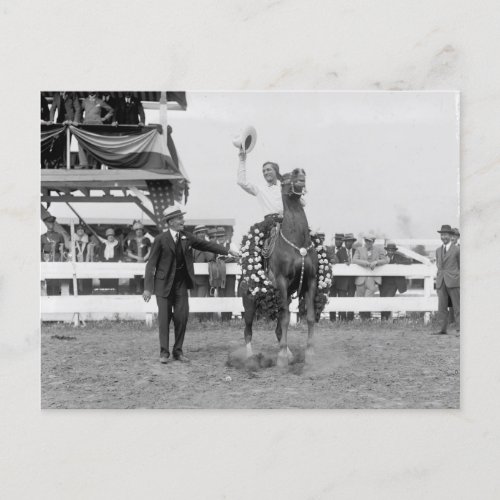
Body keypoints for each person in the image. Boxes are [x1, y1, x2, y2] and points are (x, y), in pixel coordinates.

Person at [143, 205, 239, 364]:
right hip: (163, 285)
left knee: (182, 317)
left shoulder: (186, 237)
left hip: (181, 284)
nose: (182, 221)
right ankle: (164, 353)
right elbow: (151, 264)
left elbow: (206, 245)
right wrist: (147, 288)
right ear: (171, 221)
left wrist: (227, 251)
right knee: (164, 319)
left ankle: (178, 351)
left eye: (181, 218)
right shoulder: (160, 239)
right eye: (179, 218)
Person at [352, 234, 389, 319]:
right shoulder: (359, 249)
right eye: (366, 241)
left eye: (370, 241)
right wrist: (366, 263)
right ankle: (362, 319)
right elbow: (354, 260)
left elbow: (385, 260)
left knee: (368, 299)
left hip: (372, 279)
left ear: (373, 242)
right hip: (360, 279)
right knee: (361, 299)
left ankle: (367, 319)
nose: (368, 243)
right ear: (364, 241)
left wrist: (376, 262)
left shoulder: (378, 250)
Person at [433, 225, 460, 335]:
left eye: (446, 235)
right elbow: (439, 266)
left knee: (457, 306)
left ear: (450, 236)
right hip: (441, 282)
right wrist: (438, 279)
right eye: (442, 235)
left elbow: (461, 266)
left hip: (453, 281)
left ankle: (460, 329)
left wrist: (457, 277)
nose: (444, 237)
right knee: (442, 307)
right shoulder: (438, 250)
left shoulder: (457, 250)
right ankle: (442, 329)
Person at [78, 92, 114, 169]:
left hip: (97, 125)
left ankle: (95, 164)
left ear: (95, 93)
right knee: (81, 142)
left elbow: (111, 110)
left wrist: (104, 118)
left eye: (93, 92)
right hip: (86, 125)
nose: (91, 94)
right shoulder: (85, 101)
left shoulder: (100, 101)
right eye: (90, 92)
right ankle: (83, 163)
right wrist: (81, 120)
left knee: (96, 144)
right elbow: (79, 111)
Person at [379, 241, 412, 320]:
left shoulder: (398, 256)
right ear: (387, 250)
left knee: (388, 299)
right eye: (389, 250)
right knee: (382, 300)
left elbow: (409, 261)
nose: (390, 251)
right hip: (383, 282)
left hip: (394, 283)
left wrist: (397, 263)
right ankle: (383, 319)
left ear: (394, 251)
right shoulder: (383, 257)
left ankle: (386, 318)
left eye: (392, 250)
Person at [41, 214, 67, 295]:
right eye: (49, 223)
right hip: (46, 259)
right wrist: (42, 260)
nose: (51, 225)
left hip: (57, 259)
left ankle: (57, 295)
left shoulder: (59, 235)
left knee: (56, 278)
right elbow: (39, 250)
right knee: (48, 279)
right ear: (45, 224)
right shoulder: (42, 237)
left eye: (52, 223)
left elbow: (64, 249)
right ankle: (49, 295)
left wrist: (62, 257)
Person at [125, 221, 152, 294]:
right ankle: (133, 291)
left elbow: (150, 251)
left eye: (140, 230)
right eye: (137, 230)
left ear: (142, 231)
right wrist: (137, 258)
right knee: (135, 276)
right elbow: (129, 253)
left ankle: (144, 291)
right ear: (135, 232)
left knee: (145, 276)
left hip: (145, 261)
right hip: (135, 262)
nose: (139, 232)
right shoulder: (132, 241)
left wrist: (144, 258)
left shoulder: (147, 240)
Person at [98, 228, 123, 292]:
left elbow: (121, 254)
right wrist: (100, 261)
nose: (110, 237)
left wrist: (120, 260)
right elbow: (100, 254)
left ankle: (114, 292)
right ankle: (104, 292)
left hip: (114, 263)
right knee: (104, 278)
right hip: (104, 263)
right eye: (109, 235)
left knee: (113, 278)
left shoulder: (118, 244)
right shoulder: (103, 244)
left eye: (112, 235)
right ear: (107, 236)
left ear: (114, 236)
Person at [329, 233, 346, 321]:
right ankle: (332, 319)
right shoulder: (329, 249)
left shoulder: (344, 250)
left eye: (340, 240)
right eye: (337, 239)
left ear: (342, 241)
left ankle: (342, 319)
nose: (338, 241)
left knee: (342, 298)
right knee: (332, 298)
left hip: (342, 279)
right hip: (332, 279)